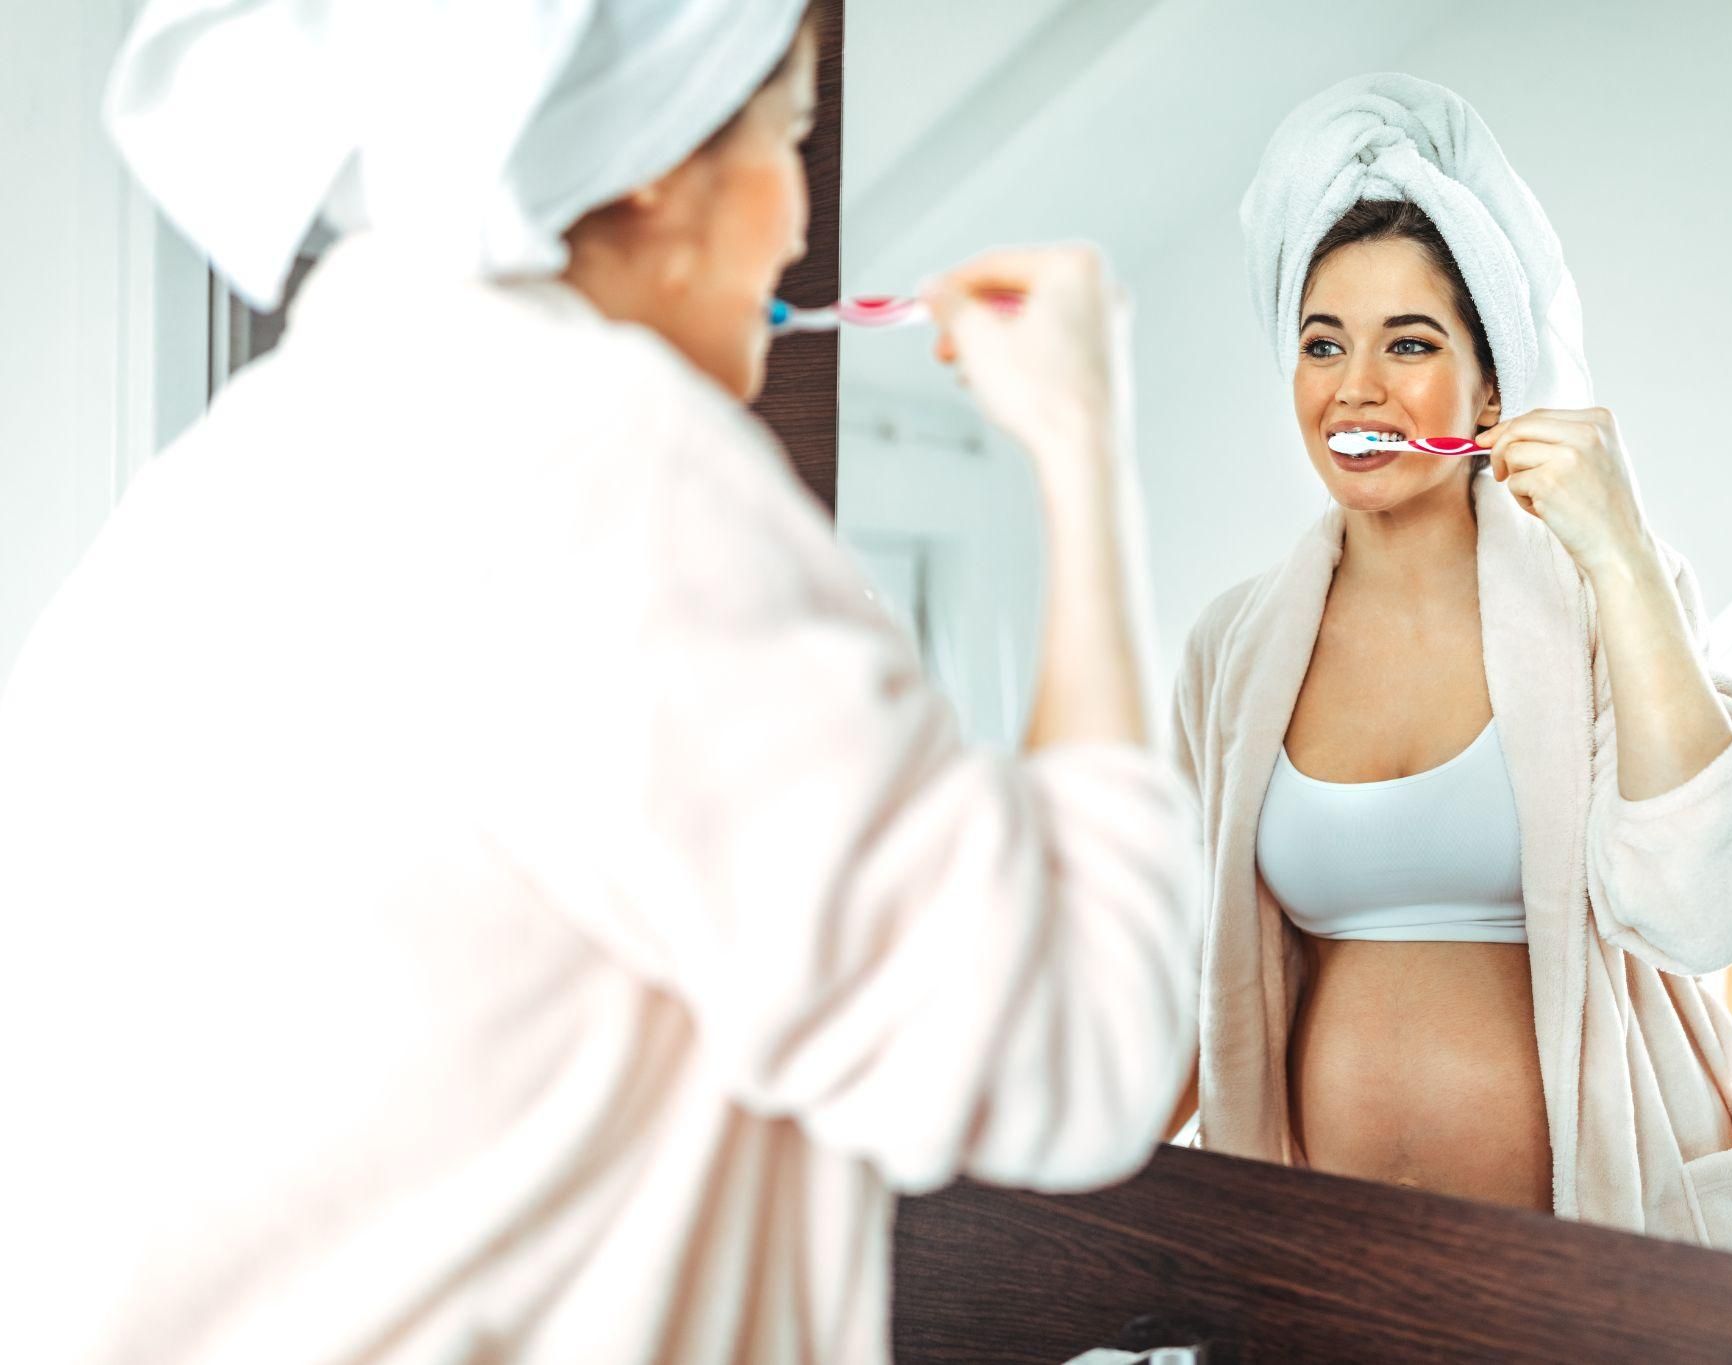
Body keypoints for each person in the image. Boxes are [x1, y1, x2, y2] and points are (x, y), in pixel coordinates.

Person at [0, 3, 1200, 1361]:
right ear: (656, 161)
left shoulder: (203, 499)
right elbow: (1086, 1049)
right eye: (790, 139)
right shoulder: (613, 470)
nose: (800, 226)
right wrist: (1082, 446)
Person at [1165, 74, 1732, 1262]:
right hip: (1321, 1280)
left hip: (1593, 1271)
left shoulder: (1602, 597)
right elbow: (1176, 995)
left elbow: (1707, 908)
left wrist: (1616, 552)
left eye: (1408, 343)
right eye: (1321, 345)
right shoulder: (1229, 648)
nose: (1355, 387)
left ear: (1490, 384)